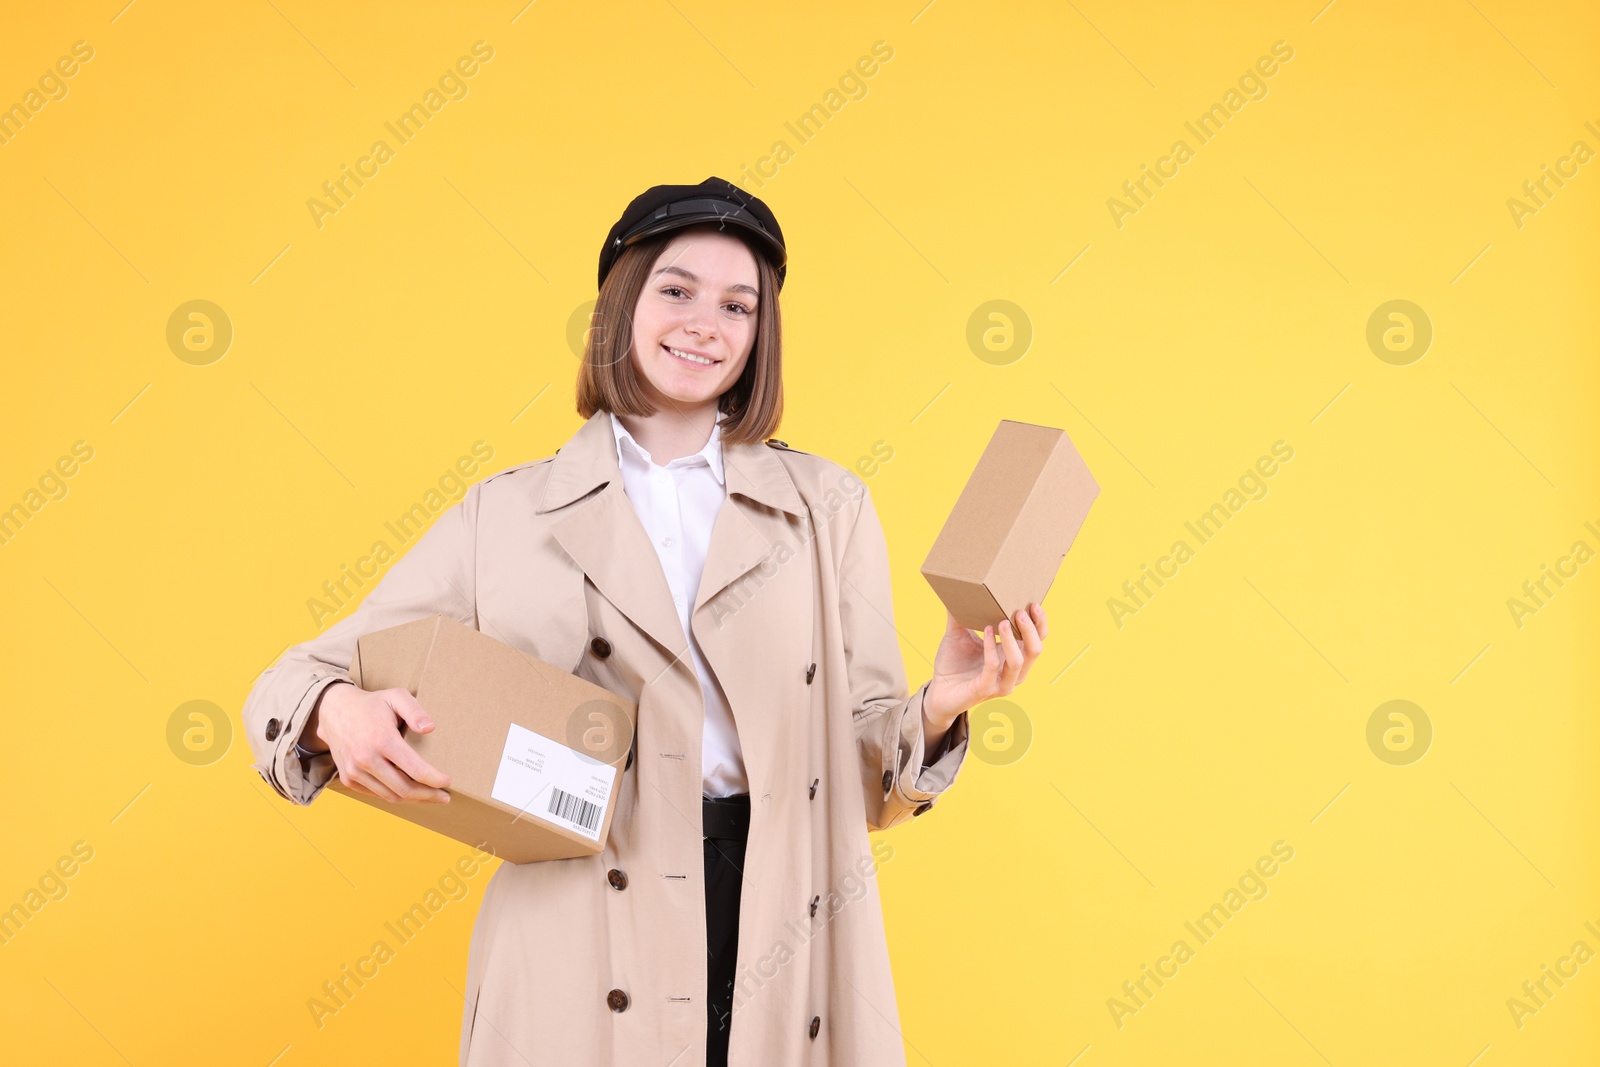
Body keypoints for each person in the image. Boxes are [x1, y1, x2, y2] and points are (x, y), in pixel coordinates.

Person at [242, 176, 1049, 1066]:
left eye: (738, 305)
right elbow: (294, 678)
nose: (706, 323)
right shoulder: (507, 512)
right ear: (621, 304)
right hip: (583, 929)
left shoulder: (827, 506)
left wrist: (941, 703)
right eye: (676, 290)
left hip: (781, 915)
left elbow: (863, 776)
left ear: (760, 334)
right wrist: (332, 709)